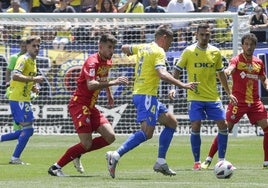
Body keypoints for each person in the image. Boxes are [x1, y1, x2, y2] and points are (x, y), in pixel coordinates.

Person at [105, 25, 199, 178]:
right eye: (170, 42)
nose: (170, 46)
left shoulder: (144, 47)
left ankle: (161, 162)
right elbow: (161, 73)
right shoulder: (158, 51)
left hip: (145, 95)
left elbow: (124, 47)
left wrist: (131, 53)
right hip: (146, 95)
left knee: (172, 123)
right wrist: (182, 85)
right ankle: (115, 155)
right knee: (147, 133)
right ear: (164, 37)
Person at [48, 33, 129, 177]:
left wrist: (109, 94)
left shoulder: (107, 62)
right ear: (101, 47)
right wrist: (114, 82)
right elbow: (91, 85)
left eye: (113, 48)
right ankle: (55, 167)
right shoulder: (92, 62)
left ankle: (78, 152)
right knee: (86, 143)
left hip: (91, 107)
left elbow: (103, 78)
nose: (112, 51)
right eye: (109, 47)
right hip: (79, 104)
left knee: (110, 137)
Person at [169, 23, 234, 170]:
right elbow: (177, 70)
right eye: (202, 34)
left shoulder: (215, 52)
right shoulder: (189, 51)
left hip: (213, 97)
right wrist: (174, 87)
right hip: (195, 97)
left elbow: (221, 74)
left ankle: (222, 161)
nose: (205, 37)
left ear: (210, 35)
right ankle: (197, 162)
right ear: (196, 35)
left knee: (223, 125)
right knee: (196, 125)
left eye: (207, 34)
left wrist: (229, 93)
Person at [201, 33, 268, 170]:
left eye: (251, 44)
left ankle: (266, 162)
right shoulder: (236, 60)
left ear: (255, 46)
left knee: (267, 128)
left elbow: (263, 77)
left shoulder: (258, 62)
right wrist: (227, 71)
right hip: (238, 101)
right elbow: (231, 68)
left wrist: (266, 83)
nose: (249, 47)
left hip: (255, 102)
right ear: (242, 45)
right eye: (246, 44)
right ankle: (208, 159)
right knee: (225, 129)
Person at [0, 35, 45, 165]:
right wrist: (34, 80)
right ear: (27, 47)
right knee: (28, 129)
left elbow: (27, 78)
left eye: (38, 46)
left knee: (26, 130)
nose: (36, 48)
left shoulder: (33, 61)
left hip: (23, 98)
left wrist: (33, 87)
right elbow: (15, 76)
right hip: (18, 98)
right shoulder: (23, 59)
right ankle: (15, 158)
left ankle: (12, 152)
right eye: (34, 46)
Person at [5, 39, 27, 131]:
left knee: (24, 109)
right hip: (14, 87)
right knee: (17, 109)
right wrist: (7, 84)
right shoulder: (15, 57)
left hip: (25, 88)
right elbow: (8, 71)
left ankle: (22, 129)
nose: (24, 48)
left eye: (26, 46)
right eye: (22, 46)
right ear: (19, 46)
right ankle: (17, 130)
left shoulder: (30, 58)